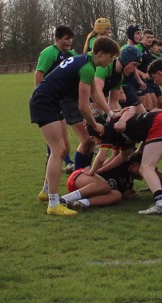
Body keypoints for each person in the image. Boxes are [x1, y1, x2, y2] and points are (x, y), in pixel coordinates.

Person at [30, 36, 120, 216]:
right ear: (101, 53)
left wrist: (110, 114)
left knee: (64, 149)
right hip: (44, 102)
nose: (111, 61)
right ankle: (53, 203)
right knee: (58, 151)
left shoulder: (87, 62)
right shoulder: (87, 68)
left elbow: (95, 93)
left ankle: (46, 192)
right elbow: (83, 106)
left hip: (52, 102)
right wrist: (95, 125)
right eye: (111, 57)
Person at [34, 25, 78, 173]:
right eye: (66, 38)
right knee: (56, 134)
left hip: (63, 99)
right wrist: (40, 95)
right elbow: (39, 74)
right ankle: (61, 163)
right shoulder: (49, 53)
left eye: (71, 38)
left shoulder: (72, 54)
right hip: (50, 100)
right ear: (57, 39)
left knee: (60, 134)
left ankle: (64, 161)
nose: (69, 41)